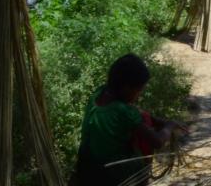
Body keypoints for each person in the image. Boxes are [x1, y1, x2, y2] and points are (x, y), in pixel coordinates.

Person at [73, 54, 186, 186]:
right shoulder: (123, 111)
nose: (139, 95)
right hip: (113, 175)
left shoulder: (99, 93)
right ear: (127, 88)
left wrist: (157, 121)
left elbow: (136, 114)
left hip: (86, 168)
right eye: (139, 90)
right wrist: (170, 125)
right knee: (141, 157)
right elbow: (157, 142)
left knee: (144, 117)